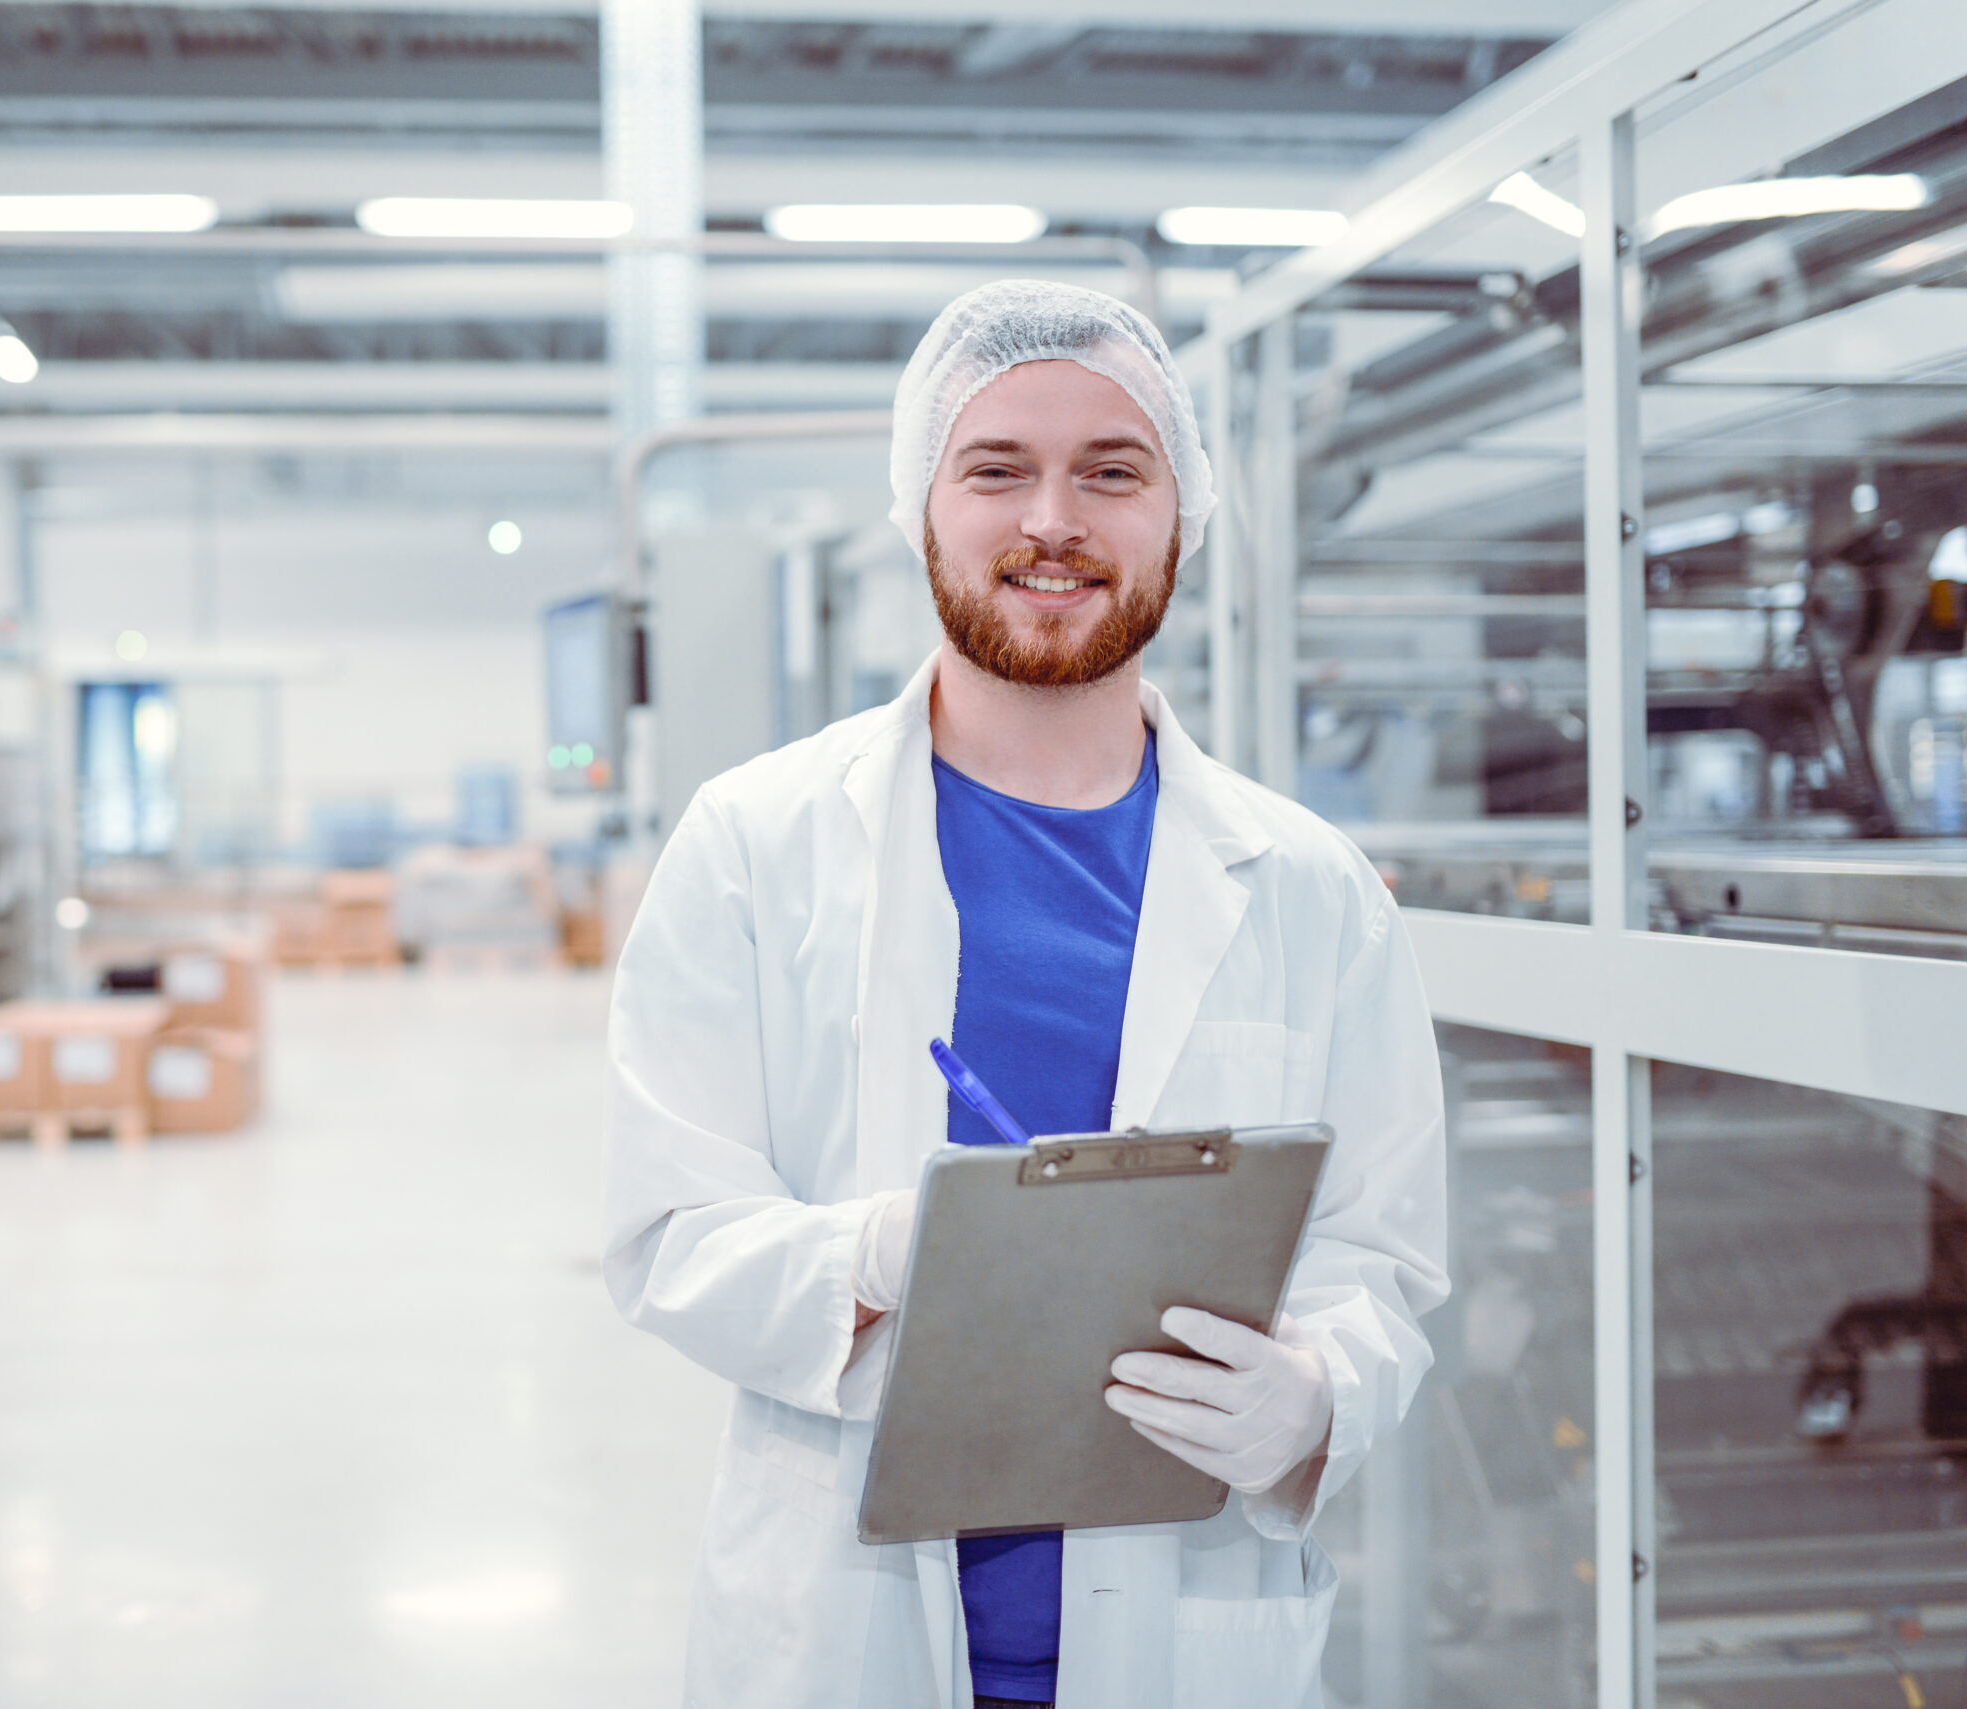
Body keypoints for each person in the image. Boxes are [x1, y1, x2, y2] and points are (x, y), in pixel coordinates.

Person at [601, 280, 1449, 1709]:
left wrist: (1318, 1394)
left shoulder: (1311, 889)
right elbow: (665, 1232)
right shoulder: (755, 845)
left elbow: (1387, 1260)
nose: (1052, 519)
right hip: (843, 1631)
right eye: (996, 468)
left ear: (1184, 517)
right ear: (921, 509)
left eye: (1112, 471)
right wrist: (870, 1255)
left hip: (1196, 1637)